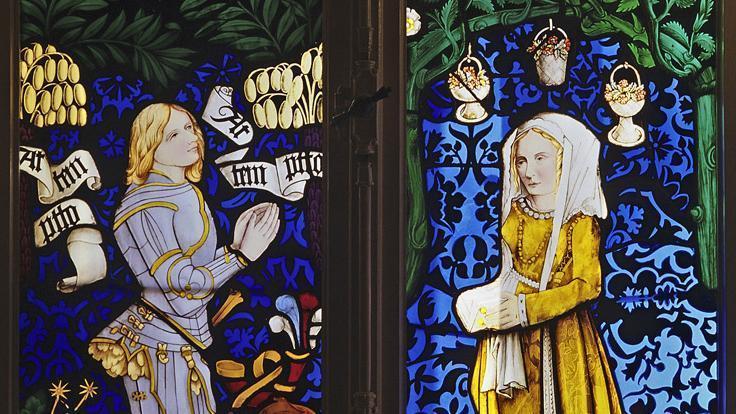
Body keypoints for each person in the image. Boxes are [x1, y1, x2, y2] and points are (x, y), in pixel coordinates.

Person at [88, 103, 280, 413]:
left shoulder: (184, 191)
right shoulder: (145, 205)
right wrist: (238, 257)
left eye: (190, 127)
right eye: (174, 133)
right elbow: (179, 289)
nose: (191, 136)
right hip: (156, 349)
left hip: (179, 342)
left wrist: (237, 245)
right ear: (150, 145)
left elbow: (193, 270)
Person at [455, 113, 622, 413]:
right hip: (511, 340)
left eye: (540, 157)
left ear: (564, 159)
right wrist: (478, 305)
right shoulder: (514, 213)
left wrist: (525, 309)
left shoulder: (580, 221)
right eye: (521, 161)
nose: (528, 171)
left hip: (565, 336)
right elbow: (511, 271)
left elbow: (588, 286)